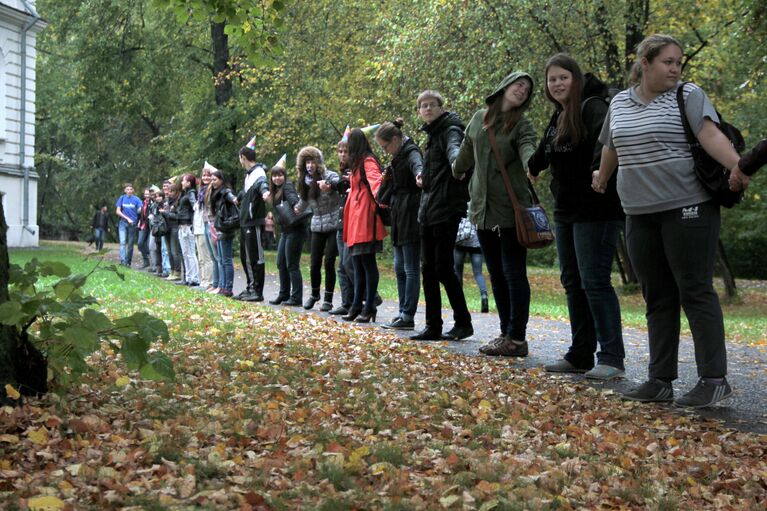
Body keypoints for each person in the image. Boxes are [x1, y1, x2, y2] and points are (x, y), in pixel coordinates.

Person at [592, 34, 740, 407]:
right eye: (668, 62)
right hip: (638, 212)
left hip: (688, 206)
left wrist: (737, 166)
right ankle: (660, 380)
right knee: (657, 295)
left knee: (694, 288)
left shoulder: (687, 95)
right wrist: (603, 176)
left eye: (678, 62)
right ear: (645, 62)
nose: (675, 69)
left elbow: (709, 135)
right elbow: (612, 146)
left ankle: (714, 378)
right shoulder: (620, 102)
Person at [528, 54, 626, 379]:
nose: (557, 84)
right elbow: (544, 154)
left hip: (597, 208)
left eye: (563, 77)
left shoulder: (592, 107)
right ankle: (581, 353)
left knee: (594, 281)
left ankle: (611, 358)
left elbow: (610, 142)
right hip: (566, 211)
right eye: (551, 79)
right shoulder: (558, 117)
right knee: (572, 282)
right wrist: (532, 166)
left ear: (575, 79)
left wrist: (599, 167)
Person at [453, 72, 536, 356]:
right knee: (497, 274)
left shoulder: (521, 124)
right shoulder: (479, 118)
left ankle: (517, 337)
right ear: (504, 87)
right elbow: (465, 152)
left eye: (527, 89)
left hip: (511, 211)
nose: (523, 91)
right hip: (482, 210)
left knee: (514, 274)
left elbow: (528, 149)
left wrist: (532, 165)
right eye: (519, 85)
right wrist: (455, 168)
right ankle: (505, 333)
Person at [411, 90, 472, 341]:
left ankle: (463, 322)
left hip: (446, 209)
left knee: (444, 268)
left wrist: (458, 165)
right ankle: (432, 325)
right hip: (428, 209)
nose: (427, 109)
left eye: (431, 105)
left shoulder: (450, 130)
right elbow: (433, 171)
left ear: (441, 108)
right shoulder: (432, 134)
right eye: (422, 106)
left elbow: (455, 153)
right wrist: (422, 177)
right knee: (428, 269)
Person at [374, 119, 423, 330]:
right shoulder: (396, 157)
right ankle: (402, 312)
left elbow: (417, 164)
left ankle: (408, 314)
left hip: (411, 214)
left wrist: (419, 173)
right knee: (399, 267)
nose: (385, 151)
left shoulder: (411, 152)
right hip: (398, 214)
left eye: (386, 146)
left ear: (395, 139)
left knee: (411, 268)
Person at [341, 128, 387, 323]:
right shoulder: (359, 162)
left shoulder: (367, 161)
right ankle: (357, 306)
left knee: (367, 264)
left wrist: (383, 202)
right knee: (357, 264)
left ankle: (368, 307)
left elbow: (377, 183)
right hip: (356, 216)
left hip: (366, 217)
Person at [297, 146, 341, 311]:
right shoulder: (305, 182)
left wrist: (329, 189)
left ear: (318, 162)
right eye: (307, 162)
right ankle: (315, 294)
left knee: (329, 261)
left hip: (334, 224)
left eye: (312, 161)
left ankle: (328, 299)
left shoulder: (329, 176)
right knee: (314, 262)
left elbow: (338, 188)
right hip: (317, 225)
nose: (310, 165)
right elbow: (302, 203)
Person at [267, 165, 307, 306]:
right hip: (286, 230)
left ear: (284, 176)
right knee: (281, 263)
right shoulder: (276, 190)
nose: (277, 178)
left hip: (296, 230)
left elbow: (293, 199)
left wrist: (296, 204)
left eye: (280, 175)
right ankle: (284, 294)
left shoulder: (287, 187)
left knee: (292, 264)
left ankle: (296, 298)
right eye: (274, 176)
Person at [236, 145, 271, 302]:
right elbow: (247, 192)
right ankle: (250, 287)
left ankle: (258, 291)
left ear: (243, 157)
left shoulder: (258, 173)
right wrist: (237, 198)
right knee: (246, 257)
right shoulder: (248, 175)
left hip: (253, 222)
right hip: (245, 222)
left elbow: (262, 184)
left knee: (256, 257)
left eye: (240, 158)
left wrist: (265, 193)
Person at [209, 170, 238, 297]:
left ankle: (228, 288)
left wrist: (234, 199)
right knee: (221, 259)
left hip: (226, 228)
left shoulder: (225, 192)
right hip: (219, 228)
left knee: (226, 260)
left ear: (221, 180)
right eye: (212, 179)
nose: (213, 182)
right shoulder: (216, 194)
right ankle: (223, 286)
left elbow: (232, 198)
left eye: (215, 179)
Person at [453, 215, 489, 314]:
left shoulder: (461, 202)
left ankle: (458, 302)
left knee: (458, 272)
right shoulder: (478, 203)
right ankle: (484, 296)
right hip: (476, 241)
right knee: (478, 273)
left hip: (461, 239)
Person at [115, 183, 143, 267]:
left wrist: (140, 210)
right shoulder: (122, 198)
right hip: (123, 223)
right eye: (127, 189)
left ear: (133, 190)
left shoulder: (137, 199)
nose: (129, 191)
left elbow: (141, 210)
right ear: (125, 190)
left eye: (131, 189)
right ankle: (123, 261)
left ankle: (128, 262)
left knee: (130, 244)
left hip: (133, 224)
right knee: (123, 242)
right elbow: (118, 211)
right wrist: (127, 218)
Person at [162, 181, 184, 281]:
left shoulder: (179, 202)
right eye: (168, 191)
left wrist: (166, 213)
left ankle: (177, 272)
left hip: (175, 227)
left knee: (175, 251)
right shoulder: (167, 201)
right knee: (169, 251)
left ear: (177, 192)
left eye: (172, 191)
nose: (169, 193)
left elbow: (177, 216)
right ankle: (172, 270)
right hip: (167, 228)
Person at [136, 188, 152, 269]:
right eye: (146, 194)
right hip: (143, 225)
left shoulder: (153, 202)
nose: (147, 196)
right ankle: (146, 260)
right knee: (140, 243)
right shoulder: (143, 203)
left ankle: (153, 263)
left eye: (148, 194)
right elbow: (142, 214)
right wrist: (139, 221)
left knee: (150, 245)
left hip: (151, 226)